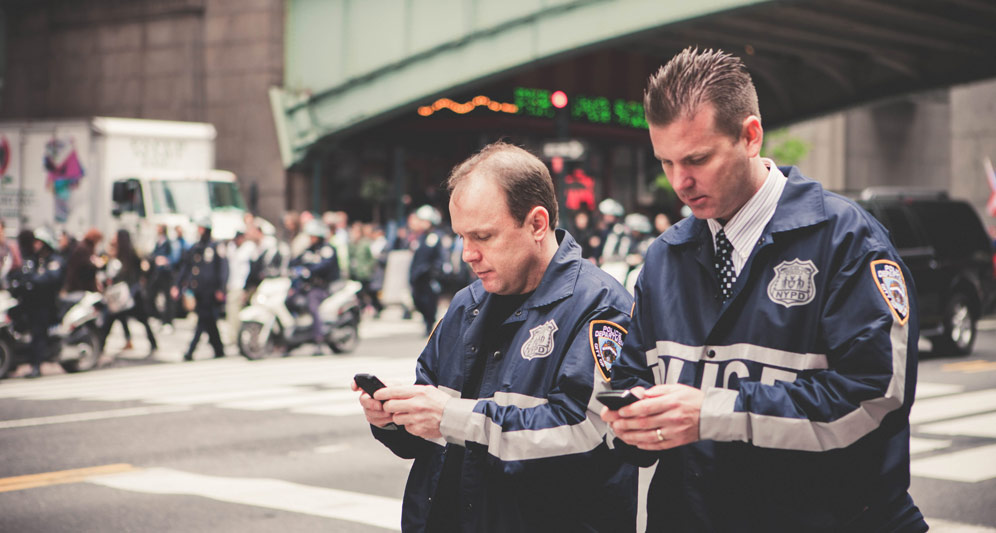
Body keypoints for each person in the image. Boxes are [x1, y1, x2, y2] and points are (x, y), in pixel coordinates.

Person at [602, 47, 927, 531]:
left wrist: (712, 412)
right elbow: (630, 375)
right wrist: (632, 421)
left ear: (750, 136)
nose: (680, 183)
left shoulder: (846, 240)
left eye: (697, 158)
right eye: (665, 162)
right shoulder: (664, 256)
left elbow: (875, 396)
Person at [354, 141, 638, 532]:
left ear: (537, 224)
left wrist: (451, 417)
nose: (467, 254)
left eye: (483, 236)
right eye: (462, 237)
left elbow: (587, 433)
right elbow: (430, 429)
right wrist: (394, 418)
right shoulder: (465, 304)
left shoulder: (601, 305)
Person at [7, 228, 66, 378]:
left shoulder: (54, 261)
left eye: (39, 242)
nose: (36, 245)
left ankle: (37, 366)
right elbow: (22, 275)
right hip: (30, 304)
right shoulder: (32, 260)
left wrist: (32, 281)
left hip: (46, 305)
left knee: (38, 335)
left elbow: (48, 279)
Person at [173, 215, 228, 361]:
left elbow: (223, 269)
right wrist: (178, 285)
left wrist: (221, 289)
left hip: (211, 291)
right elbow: (186, 268)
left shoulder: (216, 247)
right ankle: (219, 349)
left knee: (203, 320)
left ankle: (191, 351)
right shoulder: (196, 248)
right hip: (198, 290)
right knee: (209, 322)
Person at [102, 229, 158, 356]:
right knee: (116, 317)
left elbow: (145, 267)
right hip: (120, 294)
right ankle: (111, 344)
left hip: (131, 294)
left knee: (140, 319)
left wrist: (142, 280)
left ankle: (152, 343)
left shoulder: (130, 254)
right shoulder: (116, 252)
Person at [287, 218, 339, 354]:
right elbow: (295, 262)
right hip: (305, 286)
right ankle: (290, 339)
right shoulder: (309, 250)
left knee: (312, 305)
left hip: (322, 288)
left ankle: (319, 339)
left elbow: (325, 266)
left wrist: (309, 270)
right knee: (289, 301)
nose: (311, 238)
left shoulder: (327, 250)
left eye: (313, 236)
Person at [407, 205, 444, 336]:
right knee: (417, 300)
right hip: (417, 276)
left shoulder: (434, 237)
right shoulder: (420, 238)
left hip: (428, 276)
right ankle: (426, 320)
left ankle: (429, 324)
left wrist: (434, 272)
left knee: (429, 302)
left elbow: (439, 257)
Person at [225, 228, 256, 344]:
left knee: (240, 314)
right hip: (232, 285)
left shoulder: (249, 248)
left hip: (242, 285)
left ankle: (238, 338)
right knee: (232, 313)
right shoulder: (231, 248)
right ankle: (233, 337)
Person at [63, 228, 103, 294]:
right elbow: (85, 266)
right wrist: (96, 264)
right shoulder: (84, 248)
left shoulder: (85, 247)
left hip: (78, 282)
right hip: (79, 284)